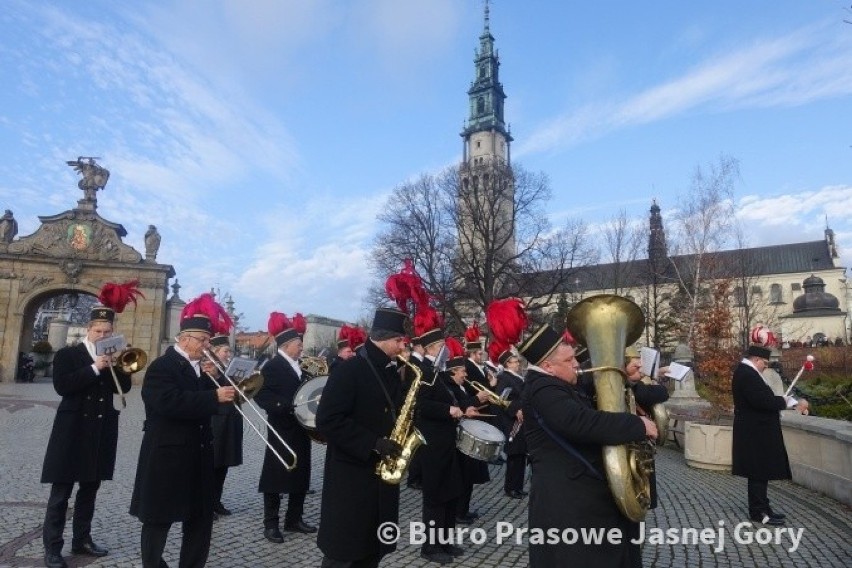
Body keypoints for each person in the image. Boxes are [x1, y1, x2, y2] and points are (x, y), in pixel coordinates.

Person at [522, 323, 658, 567]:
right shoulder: (542, 389)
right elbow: (579, 422)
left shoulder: (557, 383)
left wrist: (620, 375)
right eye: (570, 360)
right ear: (548, 367)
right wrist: (636, 425)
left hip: (583, 496)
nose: (576, 364)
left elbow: (584, 395)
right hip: (568, 502)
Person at [129, 293, 235, 568]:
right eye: (203, 340)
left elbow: (207, 403)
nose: (206, 345)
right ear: (184, 338)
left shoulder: (201, 369)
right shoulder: (161, 367)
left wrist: (215, 382)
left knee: (200, 522)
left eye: (208, 340)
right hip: (167, 456)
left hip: (198, 456)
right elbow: (167, 402)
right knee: (158, 520)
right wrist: (212, 397)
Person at [40, 284, 136, 568]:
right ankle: (53, 547)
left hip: (101, 429)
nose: (103, 336)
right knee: (61, 493)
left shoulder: (115, 356)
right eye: (99, 332)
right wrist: (95, 367)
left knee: (89, 490)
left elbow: (126, 388)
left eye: (108, 333)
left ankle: (81, 538)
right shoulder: (68, 355)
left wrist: (119, 365)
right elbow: (63, 386)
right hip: (72, 430)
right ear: (88, 331)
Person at [315, 306, 410, 568]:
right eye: (399, 341)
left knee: (372, 548)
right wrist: (372, 443)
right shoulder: (349, 370)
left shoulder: (390, 370)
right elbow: (327, 420)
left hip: (380, 475)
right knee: (344, 552)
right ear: (384, 338)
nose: (403, 347)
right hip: (352, 476)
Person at [254, 311, 315, 543]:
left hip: (301, 427)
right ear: (287, 345)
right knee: (275, 477)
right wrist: (285, 406)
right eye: (299, 344)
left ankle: (294, 519)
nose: (301, 348)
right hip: (281, 428)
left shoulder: (301, 365)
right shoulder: (272, 366)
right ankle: (271, 524)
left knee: (301, 473)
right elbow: (261, 395)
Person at [414, 329, 467, 565]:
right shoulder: (423, 371)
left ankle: (445, 541)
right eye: (440, 347)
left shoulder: (437, 372)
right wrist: (448, 410)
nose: (444, 351)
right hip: (432, 442)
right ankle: (430, 546)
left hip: (446, 440)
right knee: (435, 495)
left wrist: (461, 408)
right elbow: (422, 405)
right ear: (430, 348)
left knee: (450, 492)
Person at [732, 344, 799, 526]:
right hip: (754, 432)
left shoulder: (747, 372)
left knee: (760, 473)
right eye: (765, 363)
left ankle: (764, 507)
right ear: (756, 360)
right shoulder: (747, 374)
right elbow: (761, 401)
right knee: (757, 472)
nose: (765, 366)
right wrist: (783, 401)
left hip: (756, 431)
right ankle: (758, 512)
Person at [444, 338, 491, 526]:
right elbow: (456, 406)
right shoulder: (450, 388)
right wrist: (476, 400)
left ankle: (463, 510)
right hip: (459, 437)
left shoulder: (462, 386)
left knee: (469, 478)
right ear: (454, 372)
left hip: (468, 432)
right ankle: (458, 512)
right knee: (463, 477)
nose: (465, 374)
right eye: (462, 371)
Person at [201, 334, 244, 517]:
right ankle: (205, 504)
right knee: (212, 465)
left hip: (231, 419)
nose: (228, 354)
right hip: (216, 420)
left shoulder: (229, 369)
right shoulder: (208, 369)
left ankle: (216, 501)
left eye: (229, 351)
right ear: (216, 352)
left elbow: (240, 394)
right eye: (225, 351)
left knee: (223, 464)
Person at [623, 347, 669, 509]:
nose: (641, 372)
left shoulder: (633, 384)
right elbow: (660, 393)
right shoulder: (631, 386)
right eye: (636, 367)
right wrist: (655, 379)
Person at [493, 348, 528, 498]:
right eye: (515, 362)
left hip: (521, 420)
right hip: (511, 421)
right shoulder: (504, 378)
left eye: (518, 361)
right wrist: (515, 410)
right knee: (514, 455)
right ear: (507, 364)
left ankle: (518, 486)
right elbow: (501, 399)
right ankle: (511, 488)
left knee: (521, 454)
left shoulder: (517, 376)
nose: (518, 364)